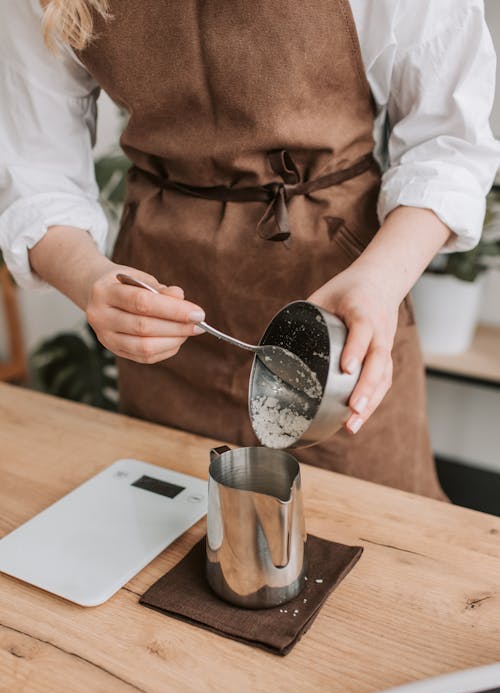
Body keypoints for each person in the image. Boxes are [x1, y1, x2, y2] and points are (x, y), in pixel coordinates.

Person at [1, 0, 499, 499]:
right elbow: (36, 177)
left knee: (380, 538)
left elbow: (448, 144)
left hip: (345, 313)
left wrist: (379, 282)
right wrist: (91, 281)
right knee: (170, 533)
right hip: (166, 320)